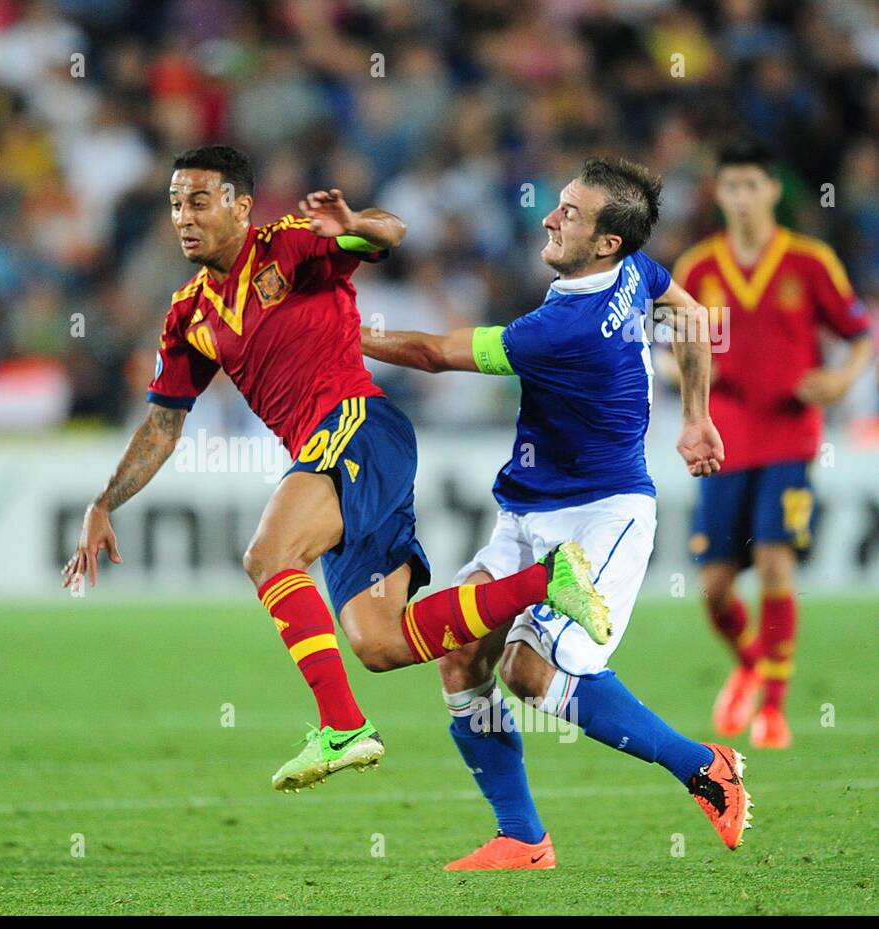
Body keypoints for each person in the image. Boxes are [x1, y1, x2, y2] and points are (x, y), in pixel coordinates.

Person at [62, 145, 609, 792]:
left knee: (268, 556)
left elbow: (392, 232)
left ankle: (343, 728)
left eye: (200, 201)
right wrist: (104, 503)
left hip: (357, 424)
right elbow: (162, 424)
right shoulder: (190, 314)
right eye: (177, 203)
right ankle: (547, 580)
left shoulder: (290, 245)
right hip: (337, 453)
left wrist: (354, 221)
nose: (184, 216)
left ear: (241, 207)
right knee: (380, 643)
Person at [361, 157, 750, 868]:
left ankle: (703, 764)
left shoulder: (563, 327)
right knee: (461, 652)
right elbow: (690, 314)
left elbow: (432, 352)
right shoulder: (632, 272)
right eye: (560, 204)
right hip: (527, 513)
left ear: (606, 241)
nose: (549, 216)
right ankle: (522, 838)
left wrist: (340, 338)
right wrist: (694, 416)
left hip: (603, 516)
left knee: (531, 673)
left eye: (569, 212)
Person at [674, 138, 873, 749]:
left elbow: (860, 331)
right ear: (720, 194)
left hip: (792, 435)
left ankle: (775, 710)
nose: (739, 198)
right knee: (713, 585)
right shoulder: (697, 269)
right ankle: (752, 663)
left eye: (750, 186)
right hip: (724, 439)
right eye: (729, 187)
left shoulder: (810, 262)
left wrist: (840, 378)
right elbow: (671, 349)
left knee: (775, 563)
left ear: (772, 191)